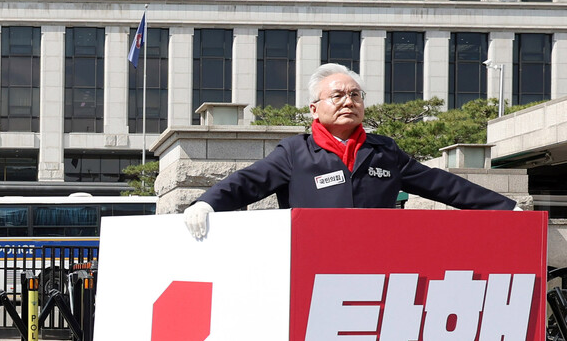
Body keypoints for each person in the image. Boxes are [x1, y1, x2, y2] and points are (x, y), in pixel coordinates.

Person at [183, 63, 515, 240]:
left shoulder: (384, 151)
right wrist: (207, 203)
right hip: (312, 262)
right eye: (338, 95)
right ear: (315, 109)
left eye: (355, 95)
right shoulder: (295, 152)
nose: (348, 102)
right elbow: (248, 182)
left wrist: (504, 208)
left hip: (376, 264)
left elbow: (441, 184)